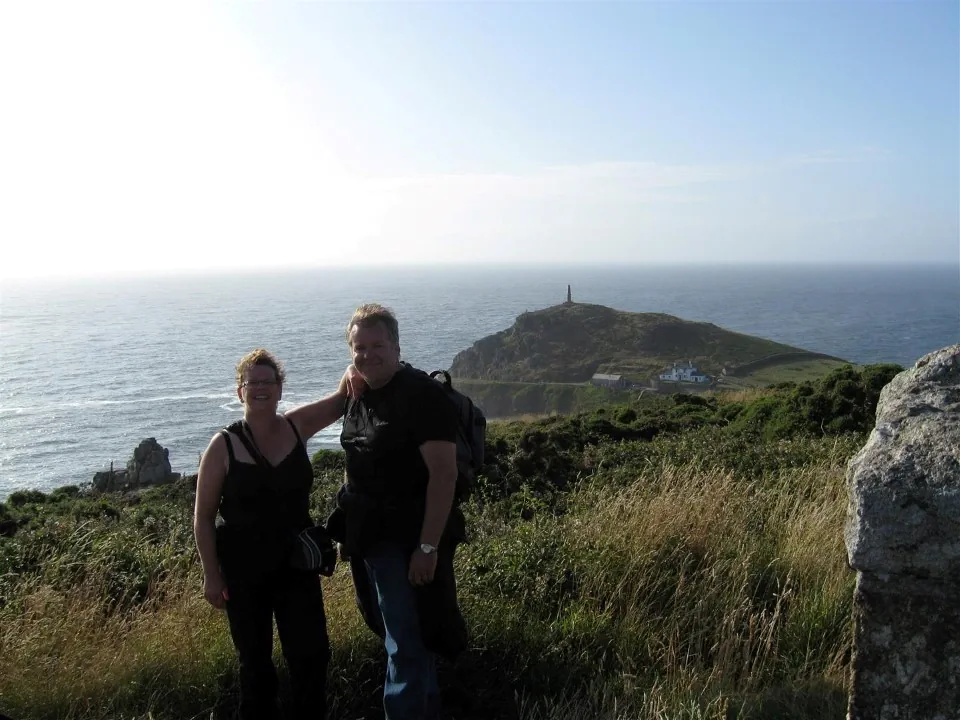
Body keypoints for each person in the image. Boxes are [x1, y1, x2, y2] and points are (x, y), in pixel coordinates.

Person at [193, 349, 357, 720]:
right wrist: (211, 574)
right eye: (254, 383)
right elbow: (203, 518)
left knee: (312, 657)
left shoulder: (296, 426)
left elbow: (341, 400)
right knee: (255, 666)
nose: (261, 389)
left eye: (269, 382)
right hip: (243, 572)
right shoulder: (222, 446)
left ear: (281, 389)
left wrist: (353, 366)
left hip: (296, 566)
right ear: (240, 392)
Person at [326, 303, 467, 720]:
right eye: (359, 347)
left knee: (404, 641)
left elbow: (444, 476)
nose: (368, 355)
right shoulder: (361, 390)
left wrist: (427, 547)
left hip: (405, 541)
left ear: (397, 345)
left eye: (377, 345)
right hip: (370, 538)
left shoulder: (421, 397)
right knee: (405, 634)